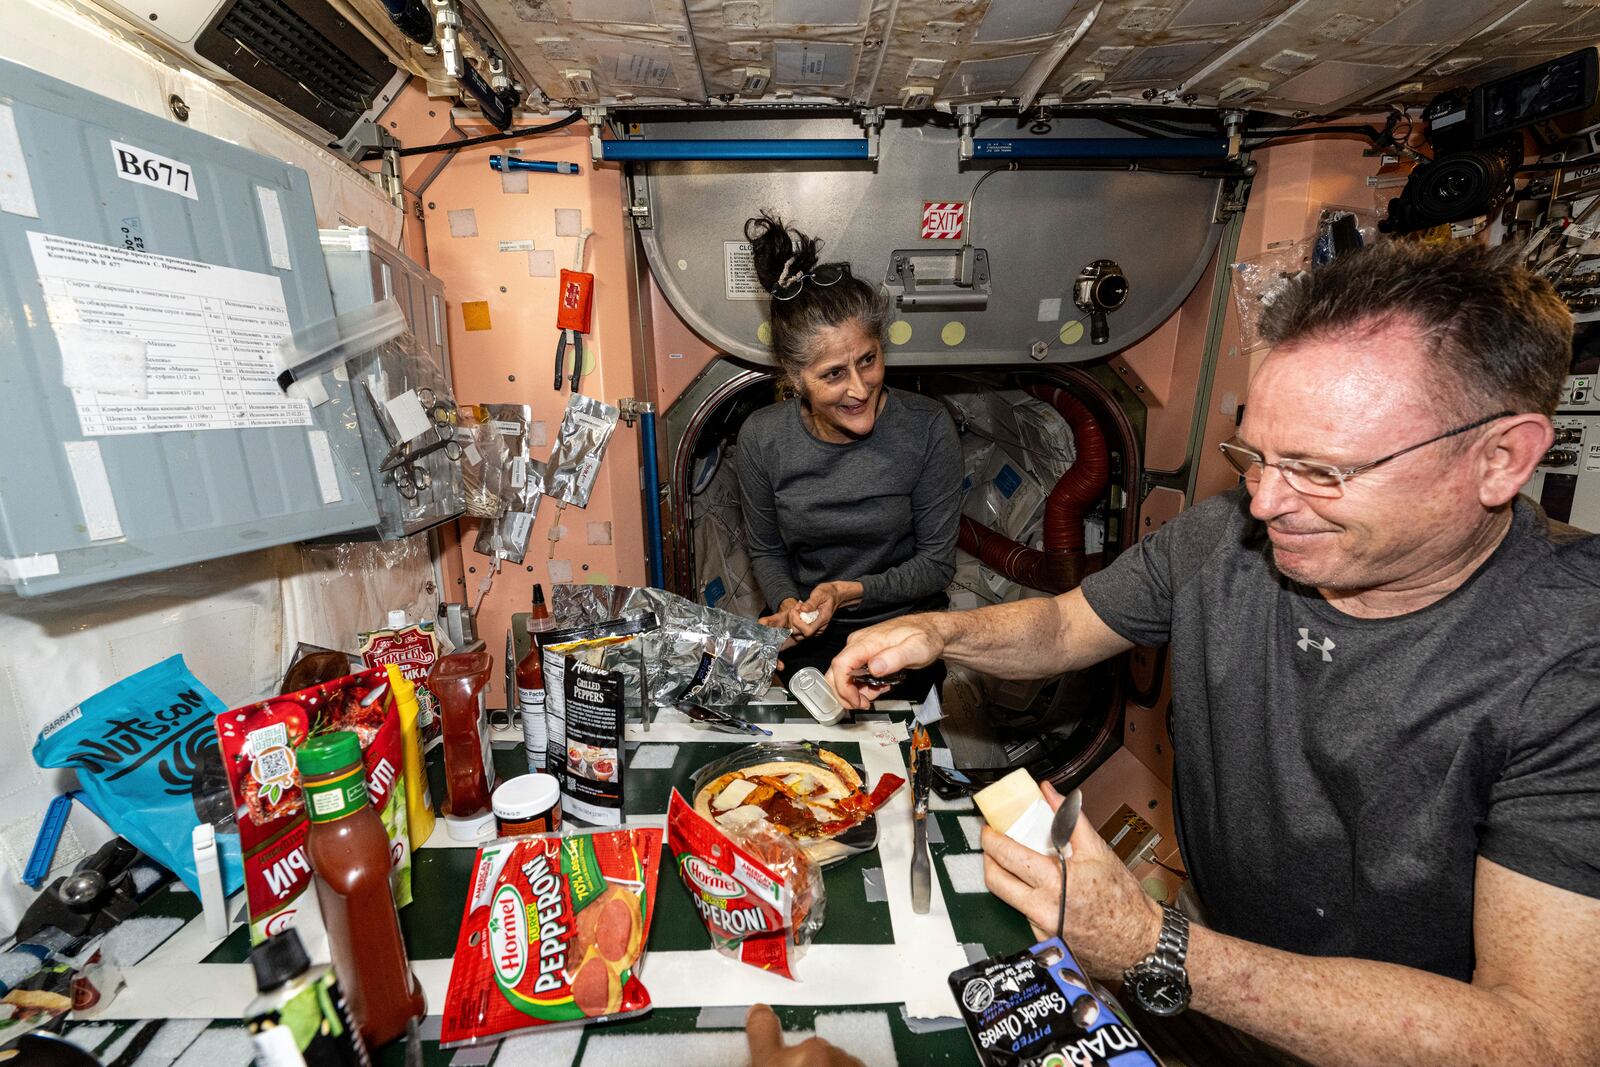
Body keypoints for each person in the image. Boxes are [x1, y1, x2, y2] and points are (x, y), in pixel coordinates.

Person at [826, 240, 1600, 1065]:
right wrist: (941, 632)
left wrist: (1154, 946)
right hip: (1217, 972)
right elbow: (1065, 627)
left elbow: (1543, 1040)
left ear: (1500, 458)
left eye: (1320, 470)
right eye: (1254, 456)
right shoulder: (1222, 536)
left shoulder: (1571, 658)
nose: (1265, 502)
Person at [736, 212, 961, 701]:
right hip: (813, 636)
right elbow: (767, 550)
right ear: (795, 378)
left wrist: (843, 592)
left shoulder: (927, 427)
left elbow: (936, 565)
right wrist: (792, 605)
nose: (860, 389)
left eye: (868, 360)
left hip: (908, 632)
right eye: (833, 374)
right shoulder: (761, 439)